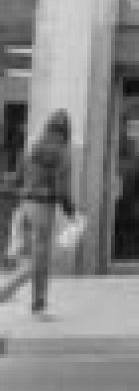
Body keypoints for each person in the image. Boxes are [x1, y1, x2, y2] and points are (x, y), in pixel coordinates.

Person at [0, 110, 78, 317]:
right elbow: (62, 189)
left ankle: (30, 300)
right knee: (40, 259)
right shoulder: (62, 151)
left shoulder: (32, 146)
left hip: (24, 207)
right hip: (42, 208)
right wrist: (72, 213)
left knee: (27, 257)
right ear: (66, 130)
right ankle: (28, 300)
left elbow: (17, 178)